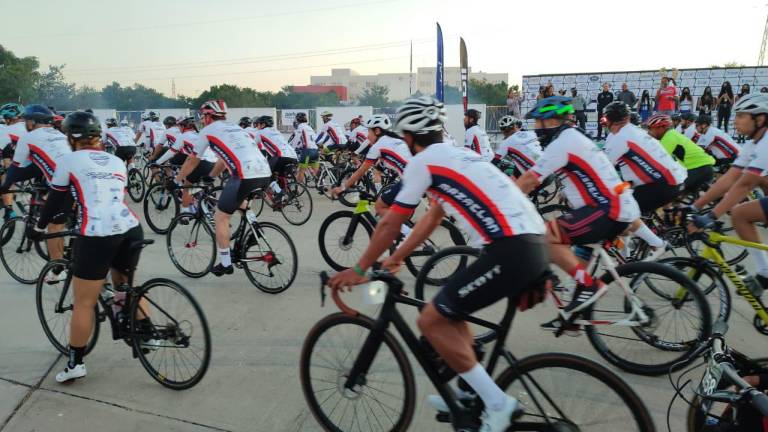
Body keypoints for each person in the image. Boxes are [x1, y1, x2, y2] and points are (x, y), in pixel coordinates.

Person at [329, 96, 549, 432]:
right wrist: (397, 258)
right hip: (533, 243)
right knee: (449, 308)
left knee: (430, 320)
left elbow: (389, 222)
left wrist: (359, 269)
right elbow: (432, 218)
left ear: (408, 137)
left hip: (510, 248)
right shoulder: (458, 154)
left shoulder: (424, 161)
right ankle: (467, 393)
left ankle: (498, 404)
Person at [26, 111, 144, 383]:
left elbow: (55, 201)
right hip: (130, 227)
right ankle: (147, 332)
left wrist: (39, 228)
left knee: (84, 302)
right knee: (125, 285)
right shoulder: (116, 161)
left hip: (97, 232)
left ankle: (75, 363)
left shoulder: (68, 160)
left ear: (71, 138)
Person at [515, 96, 640, 323]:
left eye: (537, 123)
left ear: (551, 121)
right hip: (613, 206)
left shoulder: (562, 143)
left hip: (607, 209)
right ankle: (571, 317)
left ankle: (589, 285)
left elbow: (529, 180)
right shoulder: (572, 137)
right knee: (575, 259)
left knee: (546, 237)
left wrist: (498, 201)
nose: (535, 129)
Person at [176, 100, 271, 276]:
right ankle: (256, 230)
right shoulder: (237, 128)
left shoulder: (208, 130)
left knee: (221, 216)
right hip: (265, 172)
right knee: (241, 202)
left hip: (244, 174)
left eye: (203, 116)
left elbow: (192, 160)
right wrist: (211, 177)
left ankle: (226, 263)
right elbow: (222, 159)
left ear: (208, 116)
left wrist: (177, 180)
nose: (202, 120)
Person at [690, 93, 768, 294]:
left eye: (741, 116)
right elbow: (729, 179)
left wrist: (711, 215)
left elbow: (745, 184)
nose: (735, 122)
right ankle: (765, 272)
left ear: (759, 119)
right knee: (740, 214)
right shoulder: (752, 144)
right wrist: (695, 206)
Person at [602, 102, 688, 258]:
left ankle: (658, 244)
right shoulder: (635, 130)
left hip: (663, 184)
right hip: (672, 179)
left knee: (621, 211)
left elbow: (602, 168)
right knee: (625, 208)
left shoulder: (620, 137)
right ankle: (626, 255)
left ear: (608, 120)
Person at [0, 105, 72, 281]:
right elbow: (36, 166)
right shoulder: (60, 135)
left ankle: (58, 271)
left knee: (53, 227)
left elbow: (15, 170)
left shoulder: (29, 137)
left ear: (32, 122)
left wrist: (4, 187)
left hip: (64, 184)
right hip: (77, 179)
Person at [333, 114, 412, 218]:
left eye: (369, 132)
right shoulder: (394, 140)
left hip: (410, 180)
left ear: (377, 131)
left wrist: (343, 187)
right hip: (416, 174)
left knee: (380, 206)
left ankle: (407, 232)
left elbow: (360, 172)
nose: (367, 135)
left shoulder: (378, 146)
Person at [646, 114, 716, 195]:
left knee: (667, 192)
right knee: (679, 198)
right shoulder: (672, 134)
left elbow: (657, 162)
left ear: (661, 128)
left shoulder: (669, 137)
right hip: (703, 168)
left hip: (698, 168)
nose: (648, 132)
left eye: (650, 129)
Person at [253, 115, 298, 201]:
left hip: (281, 155)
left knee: (267, 175)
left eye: (258, 124)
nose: (257, 126)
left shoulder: (260, 132)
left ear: (263, 125)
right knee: (280, 175)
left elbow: (252, 145)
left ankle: (279, 193)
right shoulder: (276, 131)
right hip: (293, 156)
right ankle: (286, 193)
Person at [0, 103, 25, 220]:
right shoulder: (27, 127)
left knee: (6, 174)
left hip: (16, 162)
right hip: (31, 165)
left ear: (9, 119)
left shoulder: (6, 130)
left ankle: (9, 209)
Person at [288, 112, 318, 184]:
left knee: (301, 170)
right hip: (315, 150)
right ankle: (321, 184)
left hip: (307, 151)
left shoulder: (300, 127)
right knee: (315, 171)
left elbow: (296, 140)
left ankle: (297, 188)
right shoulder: (309, 127)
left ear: (298, 120)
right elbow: (315, 138)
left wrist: (291, 149)